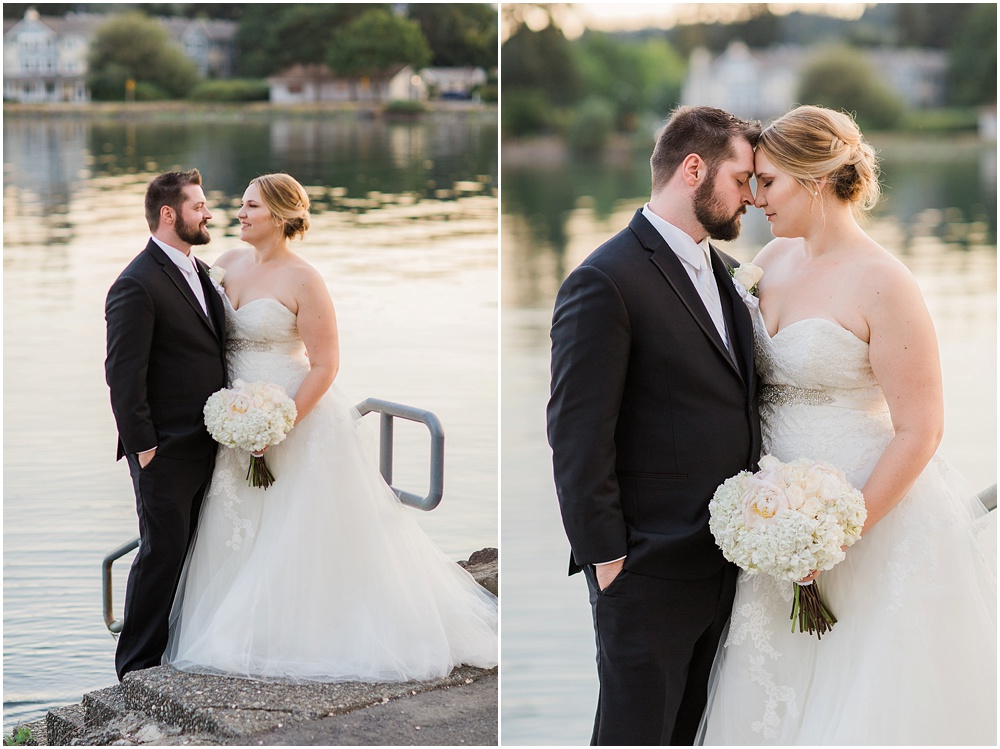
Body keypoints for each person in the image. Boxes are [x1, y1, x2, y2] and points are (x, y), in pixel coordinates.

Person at [697, 105, 996, 745]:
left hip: (863, 518)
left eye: (768, 181)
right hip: (773, 521)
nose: (754, 197)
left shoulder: (884, 282)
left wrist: (840, 531)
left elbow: (921, 428)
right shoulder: (771, 262)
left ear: (815, 180)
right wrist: (776, 528)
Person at [164, 173, 497, 682]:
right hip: (234, 420)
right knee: (237, 528)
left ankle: (299, 632)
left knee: (297, 530)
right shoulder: (225, 265)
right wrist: (238, 420)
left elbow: (324, 364)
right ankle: (242, 627)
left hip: (291, 416)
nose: (239, 214)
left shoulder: (304, 280)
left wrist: (280, 422)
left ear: (277, 216)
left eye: (250, 206)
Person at [547, 106, 763, 745]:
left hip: (724, 562)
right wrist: (610, 560)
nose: (750, 197)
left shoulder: (724, 274)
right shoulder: (604, 279)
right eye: (742, 178)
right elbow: (577, 433)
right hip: (646, 569)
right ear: (693, 168)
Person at [105, 168, 227, 679]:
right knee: (161, 553)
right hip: (166, 449)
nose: (209, 214)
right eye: (199, 206)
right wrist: (145, 448)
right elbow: (122, 375)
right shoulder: (136, 282)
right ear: (169, 214)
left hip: (212, 441)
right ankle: (135, 669)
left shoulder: (199, 271)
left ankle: (178, 652)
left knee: (197, 550)